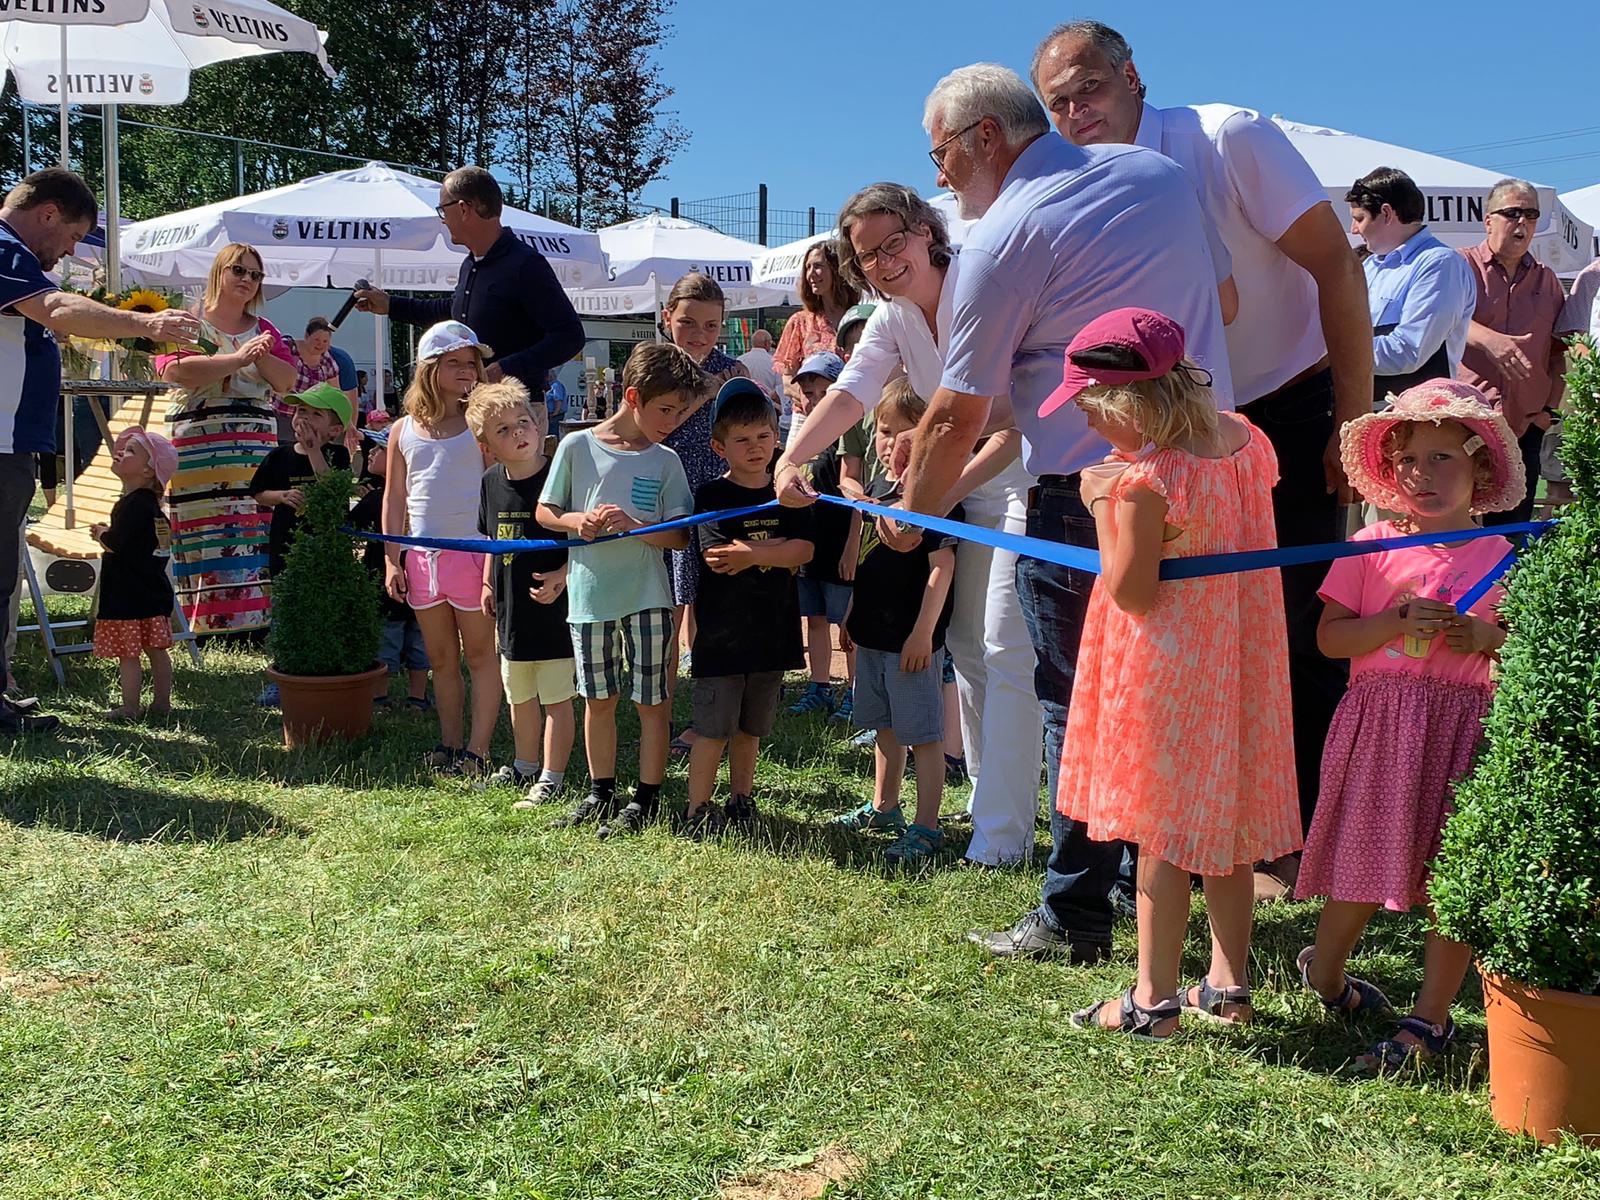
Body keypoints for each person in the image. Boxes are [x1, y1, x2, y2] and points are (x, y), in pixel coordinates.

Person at [897, 64, 1230, 962]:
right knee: (1175, 692)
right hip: (1212, 482)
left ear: (985, 139)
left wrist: (913, 515)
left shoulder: (1004, 234)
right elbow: (1225, 302)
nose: (940, 177)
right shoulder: (1160, 175)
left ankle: (1074, 911)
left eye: (939, 153)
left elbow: (956, 413)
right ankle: (1147, 884)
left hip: (1094, 495)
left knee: (1077, 699)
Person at [1032, 21, 1373, 889]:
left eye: (1088, 87)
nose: (1076, 111)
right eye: (1057, 102)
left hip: (1285, 406)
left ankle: (1298, 839)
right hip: (1181, 422)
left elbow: (1339, 268)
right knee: (1193, 640)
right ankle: (1203, 829)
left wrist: (1352, 421)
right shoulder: (1073, 184)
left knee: (1295, 625)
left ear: (1132, 77)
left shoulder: (1227, 138)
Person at [1037, 309, 1296, 1037]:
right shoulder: (1250, 441)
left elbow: (1132, 590)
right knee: (1227, 828)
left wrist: (1102, 501)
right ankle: (1228, 986)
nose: (1089, 424)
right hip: (1241, 664)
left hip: (1170, 674)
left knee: (1163, 836)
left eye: (1092, 407)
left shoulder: (1147, 482)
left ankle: (1151, 1001)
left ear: (1130, 402)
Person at [776, 182, 1044, 867]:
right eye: (867, 255)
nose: (884, 262)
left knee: (1005, 650)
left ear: (928, 232)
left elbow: (1010, 426)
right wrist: (791, 457)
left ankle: (1003, 834)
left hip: (1024, 485)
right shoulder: (892, 318)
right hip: (955, 491)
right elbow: (849, 395)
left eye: (893, 241)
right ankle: (990, 809)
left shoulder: (979, 287)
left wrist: (928, 501)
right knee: (970, 650)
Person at [1295, 380, 1523, 1070]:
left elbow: (1523, 647)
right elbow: (1330, 638)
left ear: (1480, 469)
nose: (1421, 475)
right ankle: (1325, 973)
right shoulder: (1368, 546)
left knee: (1452, 876)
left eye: (1441, 458)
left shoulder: (1504, 555)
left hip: (1464, 731)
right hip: (1381, 727)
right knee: (1360, 866)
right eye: (1408, 461)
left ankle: (1430, 1018)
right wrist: (1392, 622)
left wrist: (1484, 637)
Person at [0, 167, 199, 734]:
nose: (67, 254)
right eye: (70, 238)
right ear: (48, 213)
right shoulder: (6, 251)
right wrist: (145, 323)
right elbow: (57, 308)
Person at [536, 342, 698, 839]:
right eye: (665, 409)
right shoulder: (576, 447)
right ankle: (600, 792)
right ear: (632, 397)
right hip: (589, 598)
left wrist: (635, 526)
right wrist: (577, 521)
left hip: (649, 597)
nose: (673, 421)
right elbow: (546, 511)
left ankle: (646, 797)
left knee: (652, 702)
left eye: (680, 412)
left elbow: (679, 536)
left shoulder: (667, 460)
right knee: (598, 699)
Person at [831, 379, 961, 864]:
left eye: (905, 431)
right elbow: (868, 560)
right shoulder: (876, 493)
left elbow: (942, 568)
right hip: (872, 635)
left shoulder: (936, 497)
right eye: (884, 431)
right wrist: (851, 614)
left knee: (923, 735)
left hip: (912, 643)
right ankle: (885, 807)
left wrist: (923, 633)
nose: (890, 442)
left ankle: (927, 825)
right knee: (884, 727)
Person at [681, 379, 813, 837]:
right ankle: (697, 809)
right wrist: (776, 550)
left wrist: (753, 552)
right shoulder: (711, 496)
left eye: (763, 437)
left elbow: (804, 551)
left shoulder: (789, 492)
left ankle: (741, 799)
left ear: (777, 439)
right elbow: (718, 558)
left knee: (750, 729)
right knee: (712, 729)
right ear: (719, 447)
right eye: (742, 439)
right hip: (721, 637)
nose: (755, 447)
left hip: (772, 633)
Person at [157, 243, 297, 637]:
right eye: (239, 270)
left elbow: (287, 382)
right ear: (219, 271)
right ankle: (201, 620)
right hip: (198, 443)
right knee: (203, 526)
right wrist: (238, 359)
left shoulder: (265, 330)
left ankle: (254, 621)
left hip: (253, 444)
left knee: (252, 525)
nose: (247, 280)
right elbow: (175, 370)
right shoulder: (189, 322)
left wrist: (258, 354)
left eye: (255, 274)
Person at [383, 321, 500, 777]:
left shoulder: (482, 426)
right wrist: (392, 559)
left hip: (474, 554)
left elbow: (499, 491)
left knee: (480, 656)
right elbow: (395, 497)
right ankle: (449, 742)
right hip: (422, 560)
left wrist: (492, 562)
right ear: (428, 368)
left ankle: (478, 749)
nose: (466, 370)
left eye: (471, 363)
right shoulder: (402, 430)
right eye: (454, 362)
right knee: (441, 658)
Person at [355, 167, 585, 395]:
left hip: (515, 406)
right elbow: (452, 311)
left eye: (443, 210)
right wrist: (391, 305)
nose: (443, 221)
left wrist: (504, 369)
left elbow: (570, 336)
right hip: (473, 402)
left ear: (463, 208)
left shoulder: (525, 264)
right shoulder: (471, 264)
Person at [470, 378, 575, 807]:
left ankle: (552, 777)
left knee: (557, 698)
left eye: (523, 422)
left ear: (538, 423)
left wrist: (562, 576)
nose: (518, 433)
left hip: (556, 612)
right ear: (487, 446)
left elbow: (585, 546)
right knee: (520, 695)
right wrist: (486, 582)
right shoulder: (491, 482)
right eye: (503, 429)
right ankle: (525, 766)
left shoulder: (561, 478)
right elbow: (492, 540)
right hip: (512, 612)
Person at [657, 272, 750, 740]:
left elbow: (752, 436)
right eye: (688, 322)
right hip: (665, 504)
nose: (699, 334)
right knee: (666, 619)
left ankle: (705, 721)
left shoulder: (734, 371)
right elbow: (652, 428)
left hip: (717, 503)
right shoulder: (652, 368)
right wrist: (705, 390)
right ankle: (660, 717)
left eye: (711, 325)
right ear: (666, 318)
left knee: (711, 616)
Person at [1458, 179, 1568, 527]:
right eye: (1512, 213)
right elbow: (1441, 321)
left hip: (1525, 429)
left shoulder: (1547, 280)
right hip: (1465, 424)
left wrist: (1548, 413)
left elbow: (1558, 352)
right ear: (1488, 220)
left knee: (1512, 537)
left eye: (1531, 215)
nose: (1523, 222)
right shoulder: (1460, 265)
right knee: (1459, 534)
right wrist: (1490, 340)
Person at [249, 383, 353, 707]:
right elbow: (258, 492)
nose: (304, 418)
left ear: (334, 429)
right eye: (300, 411)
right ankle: (282, 677)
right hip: (286, 549)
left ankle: (322, 672)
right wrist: (280, 496)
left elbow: (333, 489)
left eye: (315, 414)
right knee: (285, 614)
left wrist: (313, 451)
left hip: (325, 550)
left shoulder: (338, 455)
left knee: (324, 611)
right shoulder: (279, 456)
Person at [1346, 168, 1477, 403]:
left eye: (1359, 218)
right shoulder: (1370, 265)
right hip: (1372, 407)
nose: (1354, 229)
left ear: (1386, 213)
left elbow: (1409, 350)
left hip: (1416, 415)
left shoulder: (1439, 263)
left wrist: (1335, 351)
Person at [784, 352, 862, 721]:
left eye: (823, 392)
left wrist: (852, 548)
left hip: (839, 550)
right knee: (814, 619)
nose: (815, 400)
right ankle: (819, 687)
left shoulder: (849, 439)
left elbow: (858, 500)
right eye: (808, 394)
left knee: (849, 626)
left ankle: (856, 692)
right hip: (809, 550)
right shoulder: (801, 442)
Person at [88, 427, 179, 722]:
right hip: (153, 592)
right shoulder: (152, 508)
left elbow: (118, 544)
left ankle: (130, 706)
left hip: (127, 596)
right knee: (156, 650)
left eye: (130, 451)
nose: (120, 453)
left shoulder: (131, 506)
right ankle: (162, 703)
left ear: (147, 471)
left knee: (128, 654)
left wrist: (102, 534)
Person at [349, 437, 430, 710]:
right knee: (415, 638)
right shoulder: (421, 496)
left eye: (381, 448)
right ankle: (415, 697)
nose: (371, 452)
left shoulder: (377, 498)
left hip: (390, 584)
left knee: (391, 638)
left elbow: (348, 524)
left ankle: (383, 697)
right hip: (418, 580)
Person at [775, 242, 860, 443]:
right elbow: (787, 379)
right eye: (808, 267)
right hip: (806, 419)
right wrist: (811, 401)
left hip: (851, 415)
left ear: (838, 269)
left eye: (818, 266)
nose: (811, 274)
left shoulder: (860, 318)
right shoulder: (800, 322)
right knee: (798, 463)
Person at [280, 316, 344, 441]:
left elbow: (336, 393)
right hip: (281, 414)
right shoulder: (288, 348)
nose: (320, 344)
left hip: (310, 421)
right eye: (317, 339)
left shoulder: (328, 361)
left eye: (325, 341)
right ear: (306, 336)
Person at [736, 327, 784, 427]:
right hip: (768, 408)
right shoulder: (774, 362)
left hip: (744, 408)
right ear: (766, 343)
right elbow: (779, 390)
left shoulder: (740, 360)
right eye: (770, 343)